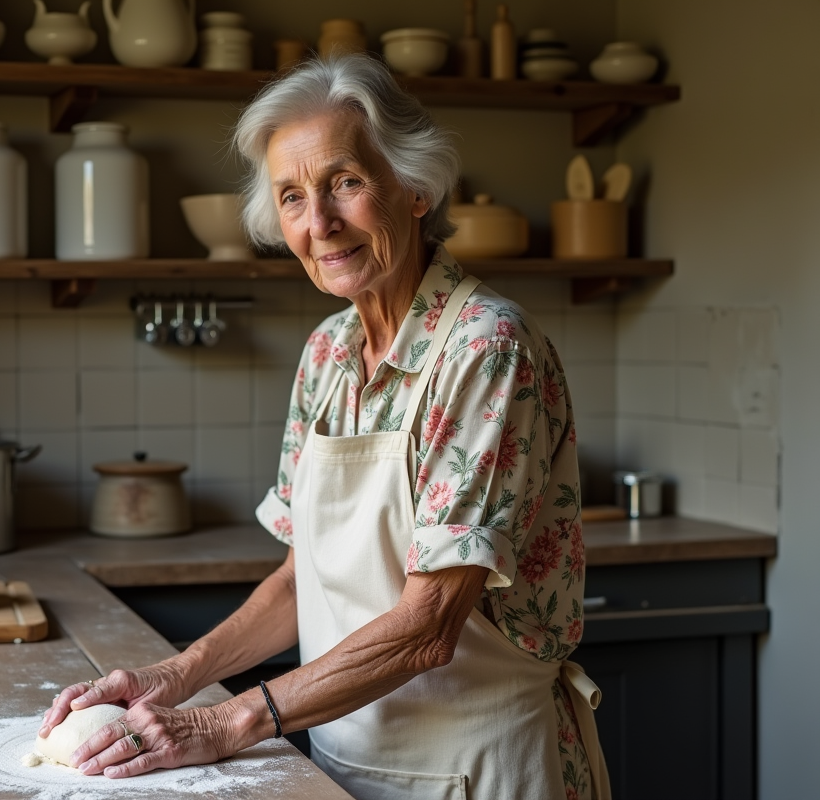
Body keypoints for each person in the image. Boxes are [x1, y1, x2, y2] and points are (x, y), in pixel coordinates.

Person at [39, 54, 609, 800]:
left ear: (413, 188)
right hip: (338, 766)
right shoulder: (328, 353)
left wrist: (224, 723)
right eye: (292, 198)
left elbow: (430, 623)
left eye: (345, 182)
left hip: (481, 767)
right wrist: (171, 677)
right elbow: (299, 581)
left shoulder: (485, 348)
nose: (320, 224)